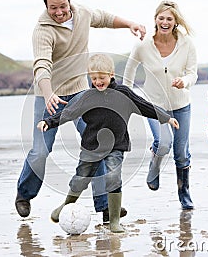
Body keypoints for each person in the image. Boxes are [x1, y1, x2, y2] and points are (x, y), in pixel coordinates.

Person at [15, 0, 147, 220]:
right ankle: (24, 195)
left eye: (62, 6)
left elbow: (105, 19)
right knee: (40, 151)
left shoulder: (83, 13)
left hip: (80, 90)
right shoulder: (42, 31)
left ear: (69, 1)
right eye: (53, 7)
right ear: (46, 5)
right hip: (48, 95)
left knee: (98, 142)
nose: (58, 12)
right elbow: (42, 66)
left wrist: (130, 24)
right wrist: (48, 95)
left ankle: (105, 205)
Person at [37, 54, 179, 232]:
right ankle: (65, 205)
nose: (98, 81)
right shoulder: (87, 97)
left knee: (113, 178)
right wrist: (49, 122)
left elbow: (145, 106)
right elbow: (69, 112)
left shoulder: (124, 93)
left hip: (116, 146)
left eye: (101, 77)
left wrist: (165, 118)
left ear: (111, 74)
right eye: (94, 78)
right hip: (91, 146)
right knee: (80, 180)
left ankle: (114, 221)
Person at [122, 0, 197, 210]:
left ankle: (184, 193)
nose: (165, 22)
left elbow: (193, 73)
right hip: (155, 106)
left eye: (169, 19)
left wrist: (185, 82)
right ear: (155, 20)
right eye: (161, 18)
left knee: (181, 153)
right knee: (164, 143)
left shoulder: (186, 43)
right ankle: (154, 163)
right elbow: (128, 73)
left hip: (181, 105)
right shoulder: (143, 46)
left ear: (175, 22)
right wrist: (126, 96)